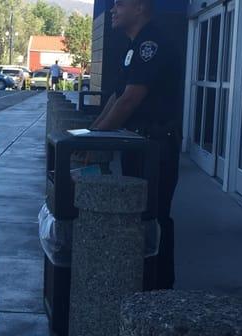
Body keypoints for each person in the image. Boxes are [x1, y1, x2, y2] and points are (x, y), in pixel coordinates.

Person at [91, 0, 181, 290]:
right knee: (138, 213)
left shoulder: (151, 45)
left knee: (154, 215)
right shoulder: (134, 46)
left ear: (140, 7)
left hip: (155, 147)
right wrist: (92, 134)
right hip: (139, 145)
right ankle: (140, 280)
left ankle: (159, 289)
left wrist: (96, 140)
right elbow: (116, 98)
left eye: (119, 4)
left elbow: (131, 100)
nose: (113, 10)